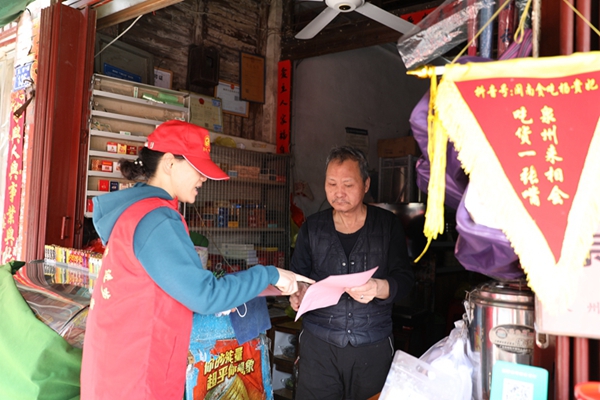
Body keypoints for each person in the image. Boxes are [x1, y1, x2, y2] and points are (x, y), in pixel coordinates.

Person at [80, 120, 313, 400]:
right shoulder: (157, 219)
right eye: (197, 168)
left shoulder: (138, 211)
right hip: (136, 377)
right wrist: (270, 274)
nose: (203, 178)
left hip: (116, 368)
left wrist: (269, 284)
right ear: (169, 163)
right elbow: (205, 295)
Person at [290, 145, 414, 400]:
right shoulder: (312, 228)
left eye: (348, 184)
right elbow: (297, 277)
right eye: (331, 184)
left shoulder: (387, 226)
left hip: (372, 348)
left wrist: (379, 287)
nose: (339, 192)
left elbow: (405, 279)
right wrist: (297, 293)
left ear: (366, 184)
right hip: (319, 349)